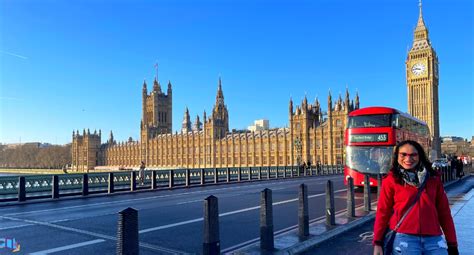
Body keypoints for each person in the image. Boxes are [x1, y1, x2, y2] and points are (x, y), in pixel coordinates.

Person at [373, 140, 458, 255]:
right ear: (397, 156)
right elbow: (383, 212)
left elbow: (444, 213)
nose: (408, 159)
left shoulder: (433, 179)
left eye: (413, 155)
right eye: (403, 154)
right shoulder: (391, 180)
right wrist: (377, 243)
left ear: (420, 156)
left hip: (433, 237)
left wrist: (452, 243)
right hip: (404, 237)